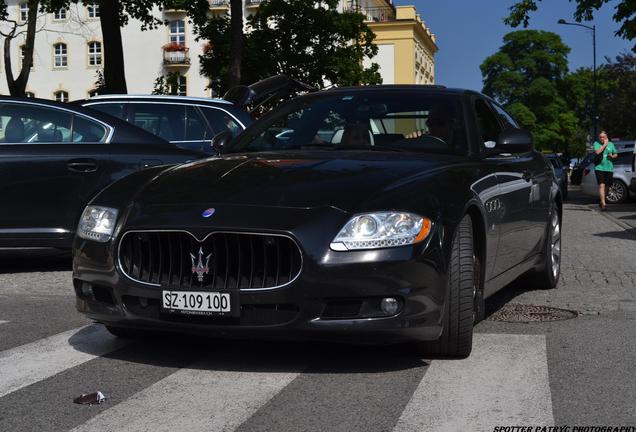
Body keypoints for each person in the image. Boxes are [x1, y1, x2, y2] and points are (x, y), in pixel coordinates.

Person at [593, 130, 618, 211]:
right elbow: (597, 152)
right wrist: (604, 144)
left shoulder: (611, 144)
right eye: (600, 137)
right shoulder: (596, 143)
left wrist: (612, 156)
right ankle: (604, 204)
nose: (601, 138)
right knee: (601, 185)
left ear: (606, 137)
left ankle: (602, 201)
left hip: (609, 168)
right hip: (599, 168)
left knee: (607, 187)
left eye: (603, 137)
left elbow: (616, 154)